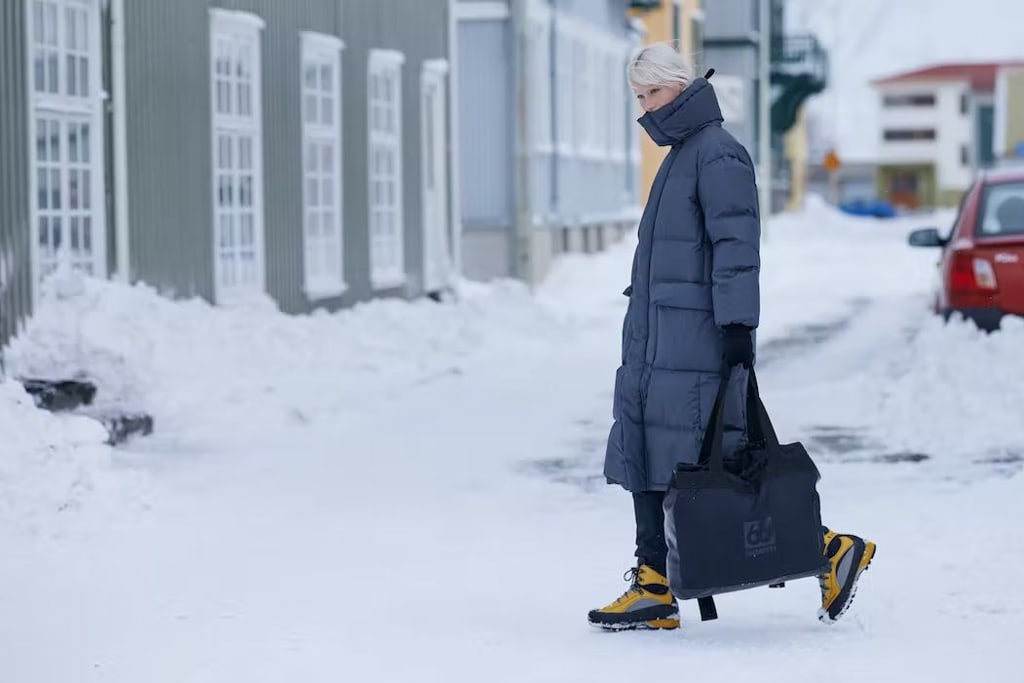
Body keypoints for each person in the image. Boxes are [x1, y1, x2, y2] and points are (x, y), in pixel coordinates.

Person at [588, 42, 876, 632]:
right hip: (657, 342)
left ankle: (831, 549)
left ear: (679, 86)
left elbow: (736, 251)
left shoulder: (717, 155)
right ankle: (654, 585)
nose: (644, 110)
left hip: (697, 342)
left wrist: (738, 328)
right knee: (647, 454)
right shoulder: (682, 155)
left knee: (716, 466)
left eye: (651, 94)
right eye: (637, 99)